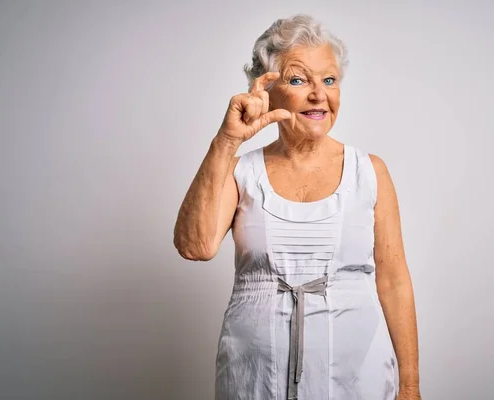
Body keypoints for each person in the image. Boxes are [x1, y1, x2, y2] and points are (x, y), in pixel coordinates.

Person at [174, 14, 421, 400]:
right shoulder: (242, 171)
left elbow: (394, 281)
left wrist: (409, 388)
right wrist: (226, 141)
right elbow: (195, 246)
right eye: (298, 79)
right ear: (267, 90)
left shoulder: (369, 171)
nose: (318, 94)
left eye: (329, 80)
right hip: (253, 380)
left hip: (359, 380)